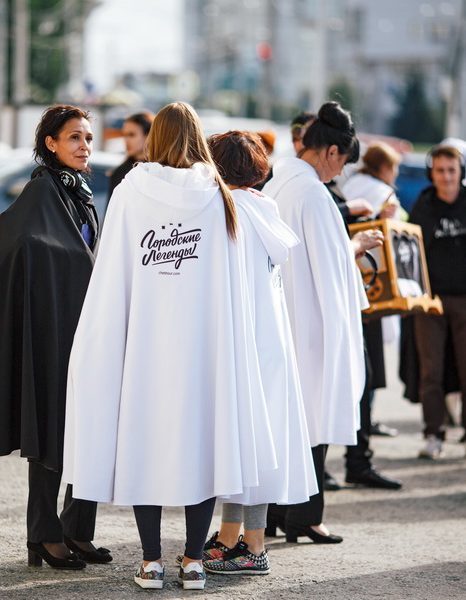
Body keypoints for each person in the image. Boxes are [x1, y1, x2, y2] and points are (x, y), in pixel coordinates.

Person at [62, 102, 276, 590]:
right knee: (203, 448)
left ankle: (151, 562)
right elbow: (230, 283)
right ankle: (195, 560)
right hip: (203, 349)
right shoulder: (217, 193)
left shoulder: (130, 191)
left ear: (155, 138)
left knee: (146, 447)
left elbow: (112, 272)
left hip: (146, 345)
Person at [0, 105, 110, 571]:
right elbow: (18, 245)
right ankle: (43, 534)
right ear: (51, 144)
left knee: (85, 430)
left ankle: (77, 530)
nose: (85, 146)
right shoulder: (43, 190)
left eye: (88, 138)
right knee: (53, 431)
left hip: (78, 327)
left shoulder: (76, 190)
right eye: (75, 138)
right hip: (53, 329)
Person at [262, 101, 383, 543]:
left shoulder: (277, 185)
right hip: (312, 321)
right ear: (331, 151)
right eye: (343, 163)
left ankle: (275, 513)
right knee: (315, 417)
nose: (340, 172)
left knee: (287, 421)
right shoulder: (313, 194)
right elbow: (330, 269)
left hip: (283, 315)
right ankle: (306, 516)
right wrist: (357, 246)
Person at [202, 131, 317, 575]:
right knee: (256, 447)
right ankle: (237, 540)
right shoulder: (263, 208)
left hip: (243, 341)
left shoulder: (224, 211)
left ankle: (252, 547)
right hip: (270, 343)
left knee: (241, 444)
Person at [409, 145, 466, 460]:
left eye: (452, 170)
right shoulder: (423, 207)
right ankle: (433, 434)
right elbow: (409, 253)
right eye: (440, 170)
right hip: (430, 301)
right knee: (430, 369)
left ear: (461, 172)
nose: (446, 177)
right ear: (431, 173)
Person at [333, 141, 404, 490]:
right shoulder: (380, 193)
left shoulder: (340, 187)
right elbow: (398, 232)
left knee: (359, 374)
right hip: (366, 288)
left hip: (349, 287)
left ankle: (348, 461)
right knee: (362, 376)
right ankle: (355, 461)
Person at [106, 110, 154, 202]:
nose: (126, 140)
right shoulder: (120, 172)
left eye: (131, 135)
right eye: (124, 135)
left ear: (148, 136)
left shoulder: (160, 170)